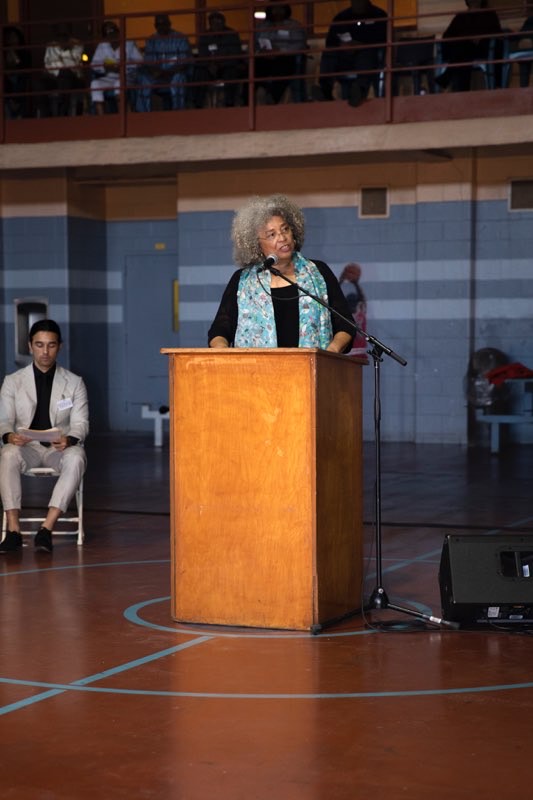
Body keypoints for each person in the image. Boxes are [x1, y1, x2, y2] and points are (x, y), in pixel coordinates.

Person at [208, 194, 354, 352]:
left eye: (285, 229)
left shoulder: (319, 272)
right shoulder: (243, 281)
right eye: (272, 234)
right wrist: (222, 351)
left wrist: (330, 353)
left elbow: (346, 325)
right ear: (256, 245)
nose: (282, 237)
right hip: (256, 374)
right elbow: (219, 330)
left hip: (312, 371)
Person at [0, 320, 89, 554]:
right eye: (39, 345)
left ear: (60, 346)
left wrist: (69, 439)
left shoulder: (74, 382)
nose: (45, 351)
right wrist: (9, 435)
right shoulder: (13, 381)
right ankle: (13, 531)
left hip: (57, 449)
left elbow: (81, 423)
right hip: (25, 447)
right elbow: (4, 420)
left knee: (77, 457)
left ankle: (46, 529)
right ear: (30, 346)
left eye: (51, 345)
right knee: (7, 454)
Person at [312, 0, 388, 107]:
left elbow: (383, 39)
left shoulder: (379, 15)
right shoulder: (341, 17)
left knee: (367, 54)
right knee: (329, 53)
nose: (357, 3)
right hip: (344, 57)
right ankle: (325, 90)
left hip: (368, 55)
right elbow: (330, 41)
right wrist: (342, 46)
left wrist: (360, 45)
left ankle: (359, 91)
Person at [437, 0, 503, 92]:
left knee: (463, 51)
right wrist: (465, 38)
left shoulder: (489, 14)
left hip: (482, 48)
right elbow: (447, 36)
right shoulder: (460, 17)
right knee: (464, 49)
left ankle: (448, 77)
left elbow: (497, 34)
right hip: (464, 48)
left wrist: (481, 37)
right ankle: (459, 88)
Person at [254, 2, 308, 104]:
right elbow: (254, 45)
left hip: (285, 57)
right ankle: (247, 101)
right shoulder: (261, 26)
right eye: (274, 8)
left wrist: (280, 50)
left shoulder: (294, 25)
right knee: (252, 68)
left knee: (284, 68)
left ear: (286, 10)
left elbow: (300, 45)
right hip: (264, 57)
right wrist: (260, 51)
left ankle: (273, 98)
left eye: (280, 8)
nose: (277, 11)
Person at [136, 14, 192, 112]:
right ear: (155, 26)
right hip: (158, 75)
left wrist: (167, 73)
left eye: (164, 24)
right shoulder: (152, 40)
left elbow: (184, 62)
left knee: (178, 78)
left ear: (169, 24)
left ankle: (178, 113)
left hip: (175, 73)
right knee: (144, 79)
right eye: (158, 24)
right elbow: (149, 62)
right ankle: (143, 114)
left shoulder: (180, 38)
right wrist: (158, 72)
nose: (161, 27)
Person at [192, 11, 246, 108]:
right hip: (209, 67)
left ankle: (230, 103)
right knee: (199, 73)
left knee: (232, 73)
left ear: (224, 23)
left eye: (219, 23)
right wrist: (209, 64)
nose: (216, 25)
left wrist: (220, 64)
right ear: (210, 24)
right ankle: (198, 104)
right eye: (213, 23)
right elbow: (202, 54)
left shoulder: (232, 35)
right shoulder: (205, 36)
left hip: (227, 66)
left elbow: (235, 54)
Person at [89, 19, 143, 114]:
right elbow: (94, 64)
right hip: (109, 76)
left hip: (127, 76)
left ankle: (122, 116)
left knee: (119, 84)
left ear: (118, 32)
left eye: (113, 31)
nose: (112, 35)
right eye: (108, 33)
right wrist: (104, 67)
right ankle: (102, 119)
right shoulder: (102, 45)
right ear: (105, 36)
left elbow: (140, 61)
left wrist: (123, 66)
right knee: (95, 84)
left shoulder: (128, 44)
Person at [37, 25, 86, 117]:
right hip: (54, 77)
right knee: (40, 84)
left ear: (69, 35)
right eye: (60, 36)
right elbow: (47, 64)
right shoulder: (51, 46)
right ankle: (46, 115)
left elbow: (73, 65)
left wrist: (65, 52)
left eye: (65, 35)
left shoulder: (77, 45)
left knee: (65, 73)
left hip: (72, 78)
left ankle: (62, 113)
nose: (62, 38)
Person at [339, 262, 368, 357]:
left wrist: (342, 280)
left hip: (354, 350)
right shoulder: (360, 309)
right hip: (352, 350)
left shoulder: (359, 310)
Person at [3, 25, 31, 119]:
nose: (12, 40)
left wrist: (14, 54)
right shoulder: (3, 52)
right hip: (6, 86)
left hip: (19, 82)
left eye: (14, 37)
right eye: (9, 38)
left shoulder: (24, 53)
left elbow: (23, 67)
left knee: (20, 77)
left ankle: (17, 103)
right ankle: (11, 102)